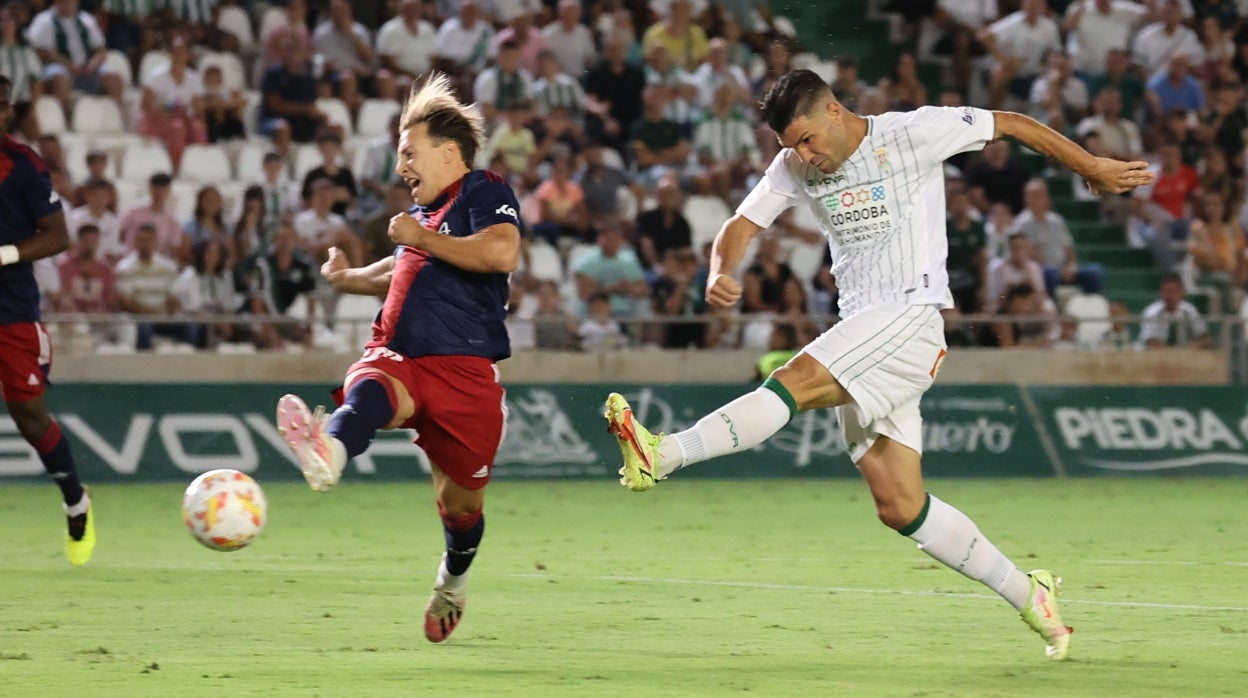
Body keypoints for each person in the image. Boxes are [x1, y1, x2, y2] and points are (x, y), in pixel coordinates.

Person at [603, 69, 1155, 660]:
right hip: (863, 329)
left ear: (834, 111)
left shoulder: (915, 132)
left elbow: (1012, 124)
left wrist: (1090, 167)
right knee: (900, 506)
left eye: (808, 138)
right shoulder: (795, 165)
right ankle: (1030, 594)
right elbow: (740, 225)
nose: (803, 155)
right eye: (791, 146)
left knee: (793, 381)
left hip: (911, 318)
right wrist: (721, 271)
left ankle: (664, 454)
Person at [274, 73, 523, 644]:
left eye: (409, 153)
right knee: (371, 383)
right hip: (403, 354)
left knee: (460, 510)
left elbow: (501, 250)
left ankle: (451, 582)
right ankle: (331, 452)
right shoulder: (425, 222)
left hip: (466, 373)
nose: (401, 167)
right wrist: (347, 278)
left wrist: (420, 238)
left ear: (449, 153)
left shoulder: (482, 191)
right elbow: (397, 270)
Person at [0, 73, 94, 566]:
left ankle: (76, 500)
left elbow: (57, 236)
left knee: (30, 418)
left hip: (10, 313)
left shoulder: (23, 167)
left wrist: (5, 254)